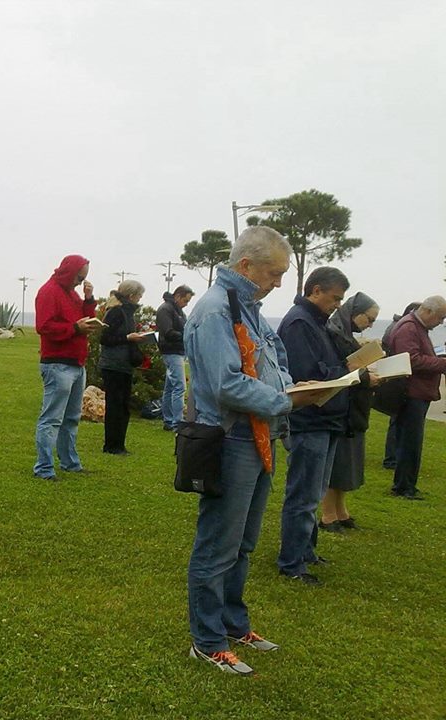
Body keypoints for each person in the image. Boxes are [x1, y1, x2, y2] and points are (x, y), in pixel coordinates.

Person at [185, 226, 328, 676]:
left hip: (259, 437)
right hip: (231, 440)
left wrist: (295, 387)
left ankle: (232, 622)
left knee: (243, 544)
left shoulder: (247, 308)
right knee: (218, 545)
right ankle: (207, 640)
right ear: (245, 266)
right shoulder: (213, 311)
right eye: (275, 272)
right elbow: (225, 384)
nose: (280, 282)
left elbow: (275, 364)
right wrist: (287, 400)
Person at [276, 266, 351, 586]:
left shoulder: (317, 323)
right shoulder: (298, 323)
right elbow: (306, 374)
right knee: (303, 495)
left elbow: (326, 366)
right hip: (309, 420)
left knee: (315, 492)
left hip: (327, 418)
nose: (337, 304)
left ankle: (306, 550)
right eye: (334, 298)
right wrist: (346, 372)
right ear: (315, 290)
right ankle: (291, 561)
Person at [33, 255, 99, 480]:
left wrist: (88, 301)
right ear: (69, 271)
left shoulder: (72, 294)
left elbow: (84, 320)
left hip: (76, 363)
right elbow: (44, 326)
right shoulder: (49, 291)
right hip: (57, 363)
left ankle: (70, 463)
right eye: (79, 277)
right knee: (51, 419)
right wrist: (74, 328)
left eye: (83, 279)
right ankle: (44, 468)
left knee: (71, 417)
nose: (80, 283)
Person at [322, 292, 380, 530]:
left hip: (353, 408)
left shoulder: (345, 333)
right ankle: (328, 514)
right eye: (370, 319)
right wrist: (367, 377)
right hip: (341, 408)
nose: (371, 324)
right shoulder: (335, 332)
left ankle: (340, 510)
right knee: (337, 461)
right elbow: (342, 370)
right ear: (355, 313)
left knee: (348, 461)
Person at [387, 296, 446, 500]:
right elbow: (410, 360)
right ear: (428, 312)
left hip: (417, 392)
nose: (441, 323)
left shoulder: (415, 327)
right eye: (441, 317)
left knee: (411, 441)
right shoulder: (409, 328)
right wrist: (442, 364)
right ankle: (403, 486)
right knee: (409, 442)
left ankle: (407, 484)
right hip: (411, 393)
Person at [98, 280, 147, 455]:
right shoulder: (116, 312)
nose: (140, 299)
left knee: (123, 405)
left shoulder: (127, 312)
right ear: (131, 296)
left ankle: (119, 444)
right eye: (139, 295)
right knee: (115, 405)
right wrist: (128, 338)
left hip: (123, 364)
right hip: (113, 365)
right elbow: (105, 339)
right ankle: (111, 445)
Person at [380, 302, 421, 469]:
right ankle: (391, 458)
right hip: (396, 378)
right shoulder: (403, 327)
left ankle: (393, 457)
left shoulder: (396, 325)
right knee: (396, 421)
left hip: (396, 377)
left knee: (396, 420)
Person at [156, 285, 194, 431]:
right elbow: (167, 332)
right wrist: (186, 337)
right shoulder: (166, 309)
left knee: (170, 387)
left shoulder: (177, 311)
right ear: (177, 296)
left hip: (176, 350)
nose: (186, 304)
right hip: (171, 351)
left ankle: (169, 419)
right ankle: (176, 422)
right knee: (179, 386)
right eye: (185, 300)